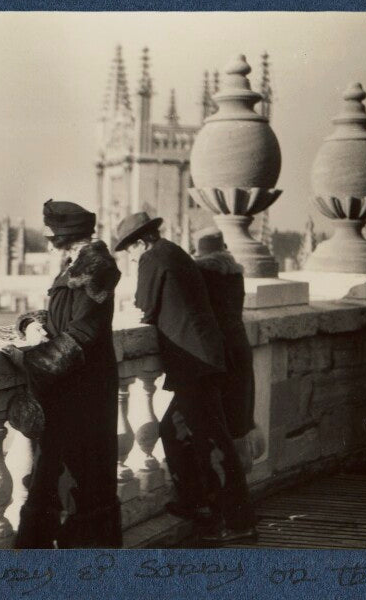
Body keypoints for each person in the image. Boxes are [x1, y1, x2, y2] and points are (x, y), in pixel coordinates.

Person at [115, 211, 257, 544]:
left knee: (213, 443)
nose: (131, 257)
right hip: (203, 360)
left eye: (130, 250)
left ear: (140, 242)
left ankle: (238, 522)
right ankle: (197, 503)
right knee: (171, 429)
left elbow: (144, 305)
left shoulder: (153, 258)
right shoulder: (172, 252)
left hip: (194, 363)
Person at [1, 200, 122, 549]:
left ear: (64, 235)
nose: (47, 237)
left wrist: (31, 363)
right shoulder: (78, 265)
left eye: (51, 232)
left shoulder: (95, 269)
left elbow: (83, 334)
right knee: (57, 474)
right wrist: (31, 323)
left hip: (83, 390)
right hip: (71, 388)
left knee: (78, 478)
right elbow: (60, 315)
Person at [192, 228, 265, 473]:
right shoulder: (236, 274)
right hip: (240, 347)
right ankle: (240, 481)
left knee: (219, 420)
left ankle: (227, 489)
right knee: (240, 418)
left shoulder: (200, 274)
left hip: (218, 352)